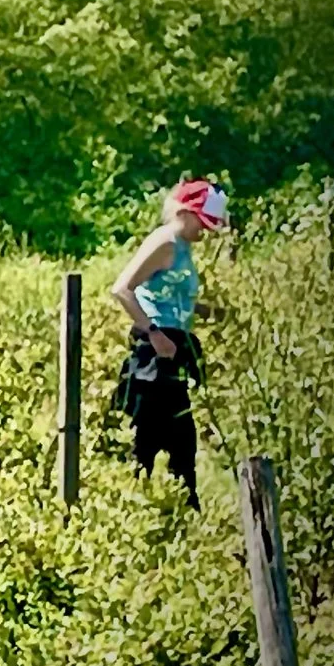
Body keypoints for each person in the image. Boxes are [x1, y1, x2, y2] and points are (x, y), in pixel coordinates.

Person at [110, 179, 226, 507]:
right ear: (187, 213)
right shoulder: (164, 242)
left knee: (182, 445)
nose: (205, 233)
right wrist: (153, 334)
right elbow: (122, 289)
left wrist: (207, 311)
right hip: (154, 355)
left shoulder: (183, 248)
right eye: (203, 224)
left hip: (175, 350)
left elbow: (171, 295)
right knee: (143, 440)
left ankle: (184, 516)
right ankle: (133, 513)